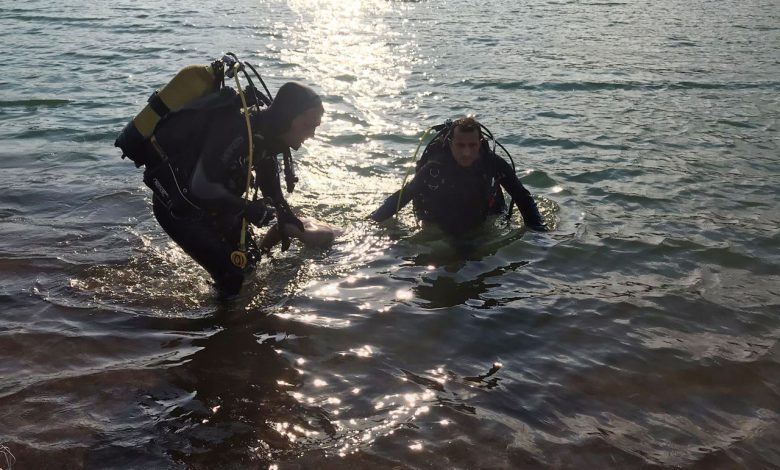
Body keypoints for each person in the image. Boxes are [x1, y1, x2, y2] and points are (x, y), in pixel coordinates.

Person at [148, 81, 325, 297]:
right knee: (233, 278)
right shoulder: (239, 131)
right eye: (309, 126)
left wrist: (283, 211)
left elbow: (267, 172)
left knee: (251, 262)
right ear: (289, 117)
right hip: (181, 208)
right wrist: (248, 209)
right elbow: (200, 186)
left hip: (219, 204)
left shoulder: (267, 133)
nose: (312, 134)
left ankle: (239, 320)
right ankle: (218, 327)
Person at [370, 117, 547, 236]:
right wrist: (371, 223)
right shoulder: (434, 168)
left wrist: (540, 234)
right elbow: (403, 196)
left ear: (480, 143)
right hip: (441, 216)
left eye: (472, 145)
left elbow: (521, 196)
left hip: (482, 214)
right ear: (450, 143)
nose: (466, 153)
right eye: (460, 145)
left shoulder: (492, 163)